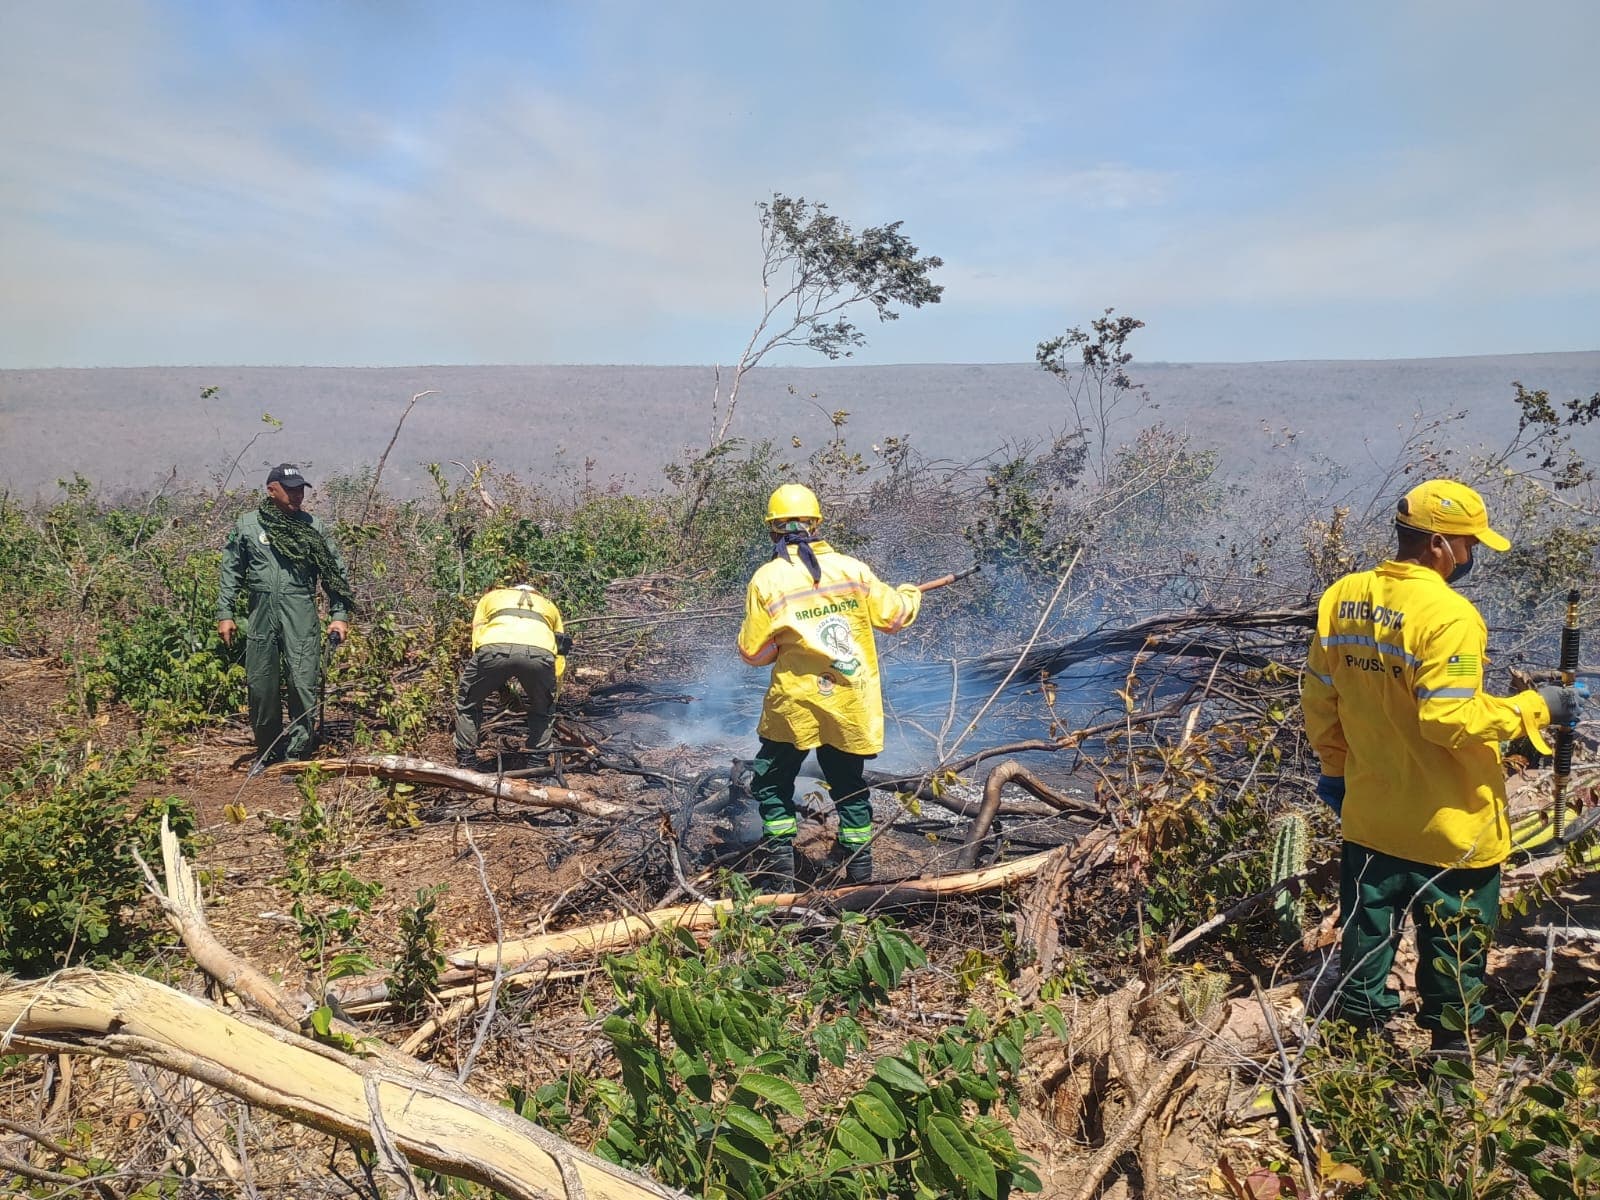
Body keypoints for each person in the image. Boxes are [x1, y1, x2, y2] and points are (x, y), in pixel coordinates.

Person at [1302, 478, 1579, 1053]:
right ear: (1435, 544)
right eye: (1467, 544)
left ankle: (1354, 1071)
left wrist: (1336, 770)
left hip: (1372, 820)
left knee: (1365, 952)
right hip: (1450, 830)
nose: (1470, 557)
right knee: (1455, 961)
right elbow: (1450, 722)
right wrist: (1534, 708)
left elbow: (1320, 697)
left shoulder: (1343, 596)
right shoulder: (1449, 615)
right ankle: (1450, 1079)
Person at [736, 484, 923, 886]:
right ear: (817, 523)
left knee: (771, 780)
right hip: (848, 699)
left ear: (773, 529)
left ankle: (780, 873)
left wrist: (784, 647)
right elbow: (894, 618)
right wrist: (909, 594)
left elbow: (753, 653)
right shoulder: (853, 570)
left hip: (796, 702)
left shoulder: (767, 579)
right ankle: (859, 873)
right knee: (848, 783)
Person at [218, 464, 354, 765]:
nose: (296, 495)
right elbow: (230, 571)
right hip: (261, 612)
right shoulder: (249, 526)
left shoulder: (312, 527)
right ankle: (268, 752)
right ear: (271, 490)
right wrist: (225, 612)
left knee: (302, 682)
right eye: (290, 489)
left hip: (300, 611)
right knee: (261, 685)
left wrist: (339, 614)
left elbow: (334, 573)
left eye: (300, 489)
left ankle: (297, 754)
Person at [454, 582, 568, 769]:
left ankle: (467, 760)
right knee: (543, 710)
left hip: (493, 648)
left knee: (468, 703)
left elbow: (477, 634)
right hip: (541, 654)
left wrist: (487, 669)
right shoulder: (548, 604)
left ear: (511, 590)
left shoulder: (491, 597)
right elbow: (561, 648)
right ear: (535, 593)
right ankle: (537, 762)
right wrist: (551, 691)